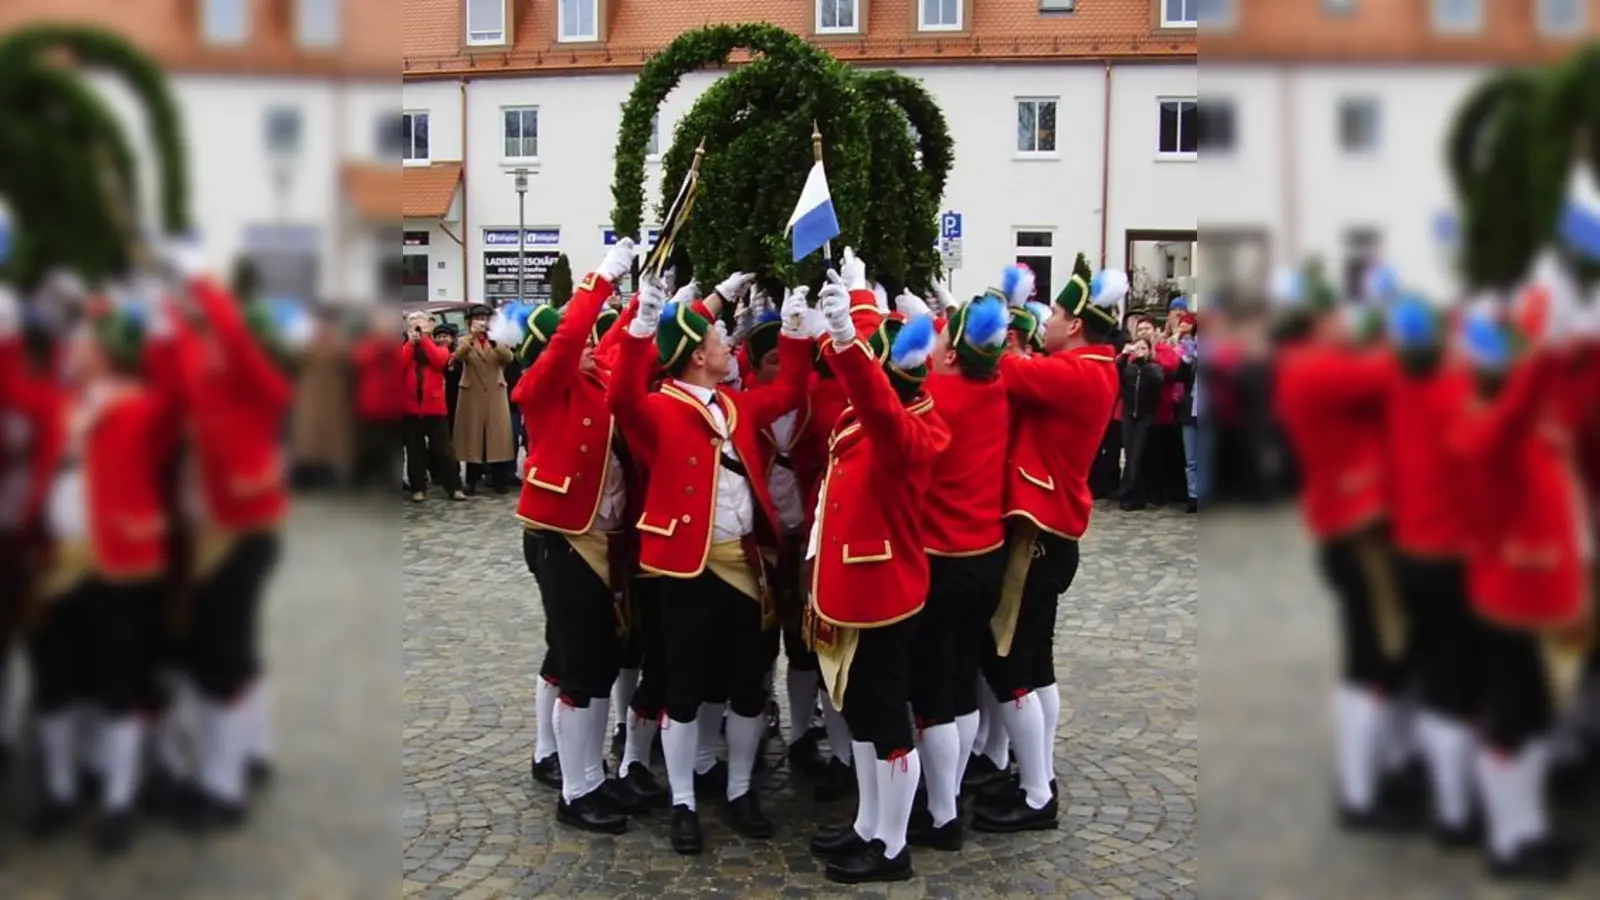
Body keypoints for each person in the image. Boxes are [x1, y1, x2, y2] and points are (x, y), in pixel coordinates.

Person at [606, 268, 810, 855]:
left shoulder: (736, 406)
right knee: (685, 689)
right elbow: (621, 395)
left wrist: (796, 329)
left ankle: (743, 790)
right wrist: (643, 325)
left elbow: (791, 392)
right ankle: (683, 801)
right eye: (721, 340)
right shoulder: (658, 407)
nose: (730, 345)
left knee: (749, 684)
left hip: (746, 567)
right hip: (686, 569)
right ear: (697, 356)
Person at [805, 261, 951, 884]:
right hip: (852, 583)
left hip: (883, 590)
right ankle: (869, 824)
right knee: (863, 716)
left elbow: (875, 397)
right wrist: (858, 297)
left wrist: (844, 342)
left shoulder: (911, 428)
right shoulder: (886, 406)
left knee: (888, 723)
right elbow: (873, 359)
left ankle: (893, 847)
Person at [1448, 272, 1591, 882]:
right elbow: (1523, 400)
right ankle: (1510, 844)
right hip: (1507, 591)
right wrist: (1541, 335)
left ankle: (1526, 830)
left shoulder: (1516, 420)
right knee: (1513, 714)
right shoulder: (1482, 425)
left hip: (1532, 587)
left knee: (1530, 713)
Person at [976, 258, 1121, 833]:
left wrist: (987, 318)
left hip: (1037, 535)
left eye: (1058, 313)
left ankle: (1037, 792)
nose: (1051, 321)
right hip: (1048, 531)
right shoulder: (1090, 364)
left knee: (1008, 660)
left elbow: (1006, 368)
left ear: (1078, 324)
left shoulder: (1079, 371)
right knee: (1036, 664)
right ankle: (1037, 771)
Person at [507, 239, 642, 833]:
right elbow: (571, 341)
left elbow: (611, 345)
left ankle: (588, 774)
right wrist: (599, 281)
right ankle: (576, 786)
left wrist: (652, 303)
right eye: (579, 345)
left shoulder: (591, 378)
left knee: (597, 661)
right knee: (581, 664)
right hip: (563, 536)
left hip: (598, 536)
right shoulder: (542, 384)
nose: (590, 348)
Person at [1272, 263, 1409, 832]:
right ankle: (1360, 788)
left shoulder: (1318, 363)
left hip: (1357, 523)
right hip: (1356, 528)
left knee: (1390, 649)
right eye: (1338, 317)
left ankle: (1386, 765)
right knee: (1370, 656)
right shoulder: (1316, 368)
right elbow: (1396, 369)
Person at [896, 290, 1010, 853]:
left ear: (947, 357)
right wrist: (939, 312)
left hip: (940, 560)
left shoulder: (937, 394)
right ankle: (951, 790)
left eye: (941, 338)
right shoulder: (998, 386)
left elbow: (886, 378)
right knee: (963, 680)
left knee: (932, 693)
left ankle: (941, 815)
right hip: (986, 556)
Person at [401, 312, 465, 502]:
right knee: (414, 451)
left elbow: (439, 361)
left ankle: (454, 486)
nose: (416, 325)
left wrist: (426, 340)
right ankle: (417, 488)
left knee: (444, 449)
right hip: (410, 408)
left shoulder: (439, 346)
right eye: (412, 322)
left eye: (419, 321)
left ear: (429, 324)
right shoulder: (403, 346)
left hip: (435, 407)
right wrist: (411, 344)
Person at [453, 305, 517, 495]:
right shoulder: (465, 340)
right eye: (477, 319)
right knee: (473, 438)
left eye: (484, 319)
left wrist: (495, 342)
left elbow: (508, 358)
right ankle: (471, 481)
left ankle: (499, 480)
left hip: (495, 393)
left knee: (497, 438)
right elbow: (459, 356)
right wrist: (472, 338)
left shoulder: (498, 339)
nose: (481, 322)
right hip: (472, 394)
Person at [1115, 334, 1165, 511]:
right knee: (1129, 456)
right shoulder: (1129, 368)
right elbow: (1115, 373)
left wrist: (1148, 361)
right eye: (1138, 347)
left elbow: (1159, 381)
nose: (1140, 351)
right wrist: (1123, 356)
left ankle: (1134, 494)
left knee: (1137, 457)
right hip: (1128, 416)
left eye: (1144, 348)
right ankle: (1127, 494)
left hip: (1145, 416)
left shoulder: (1153, 368)